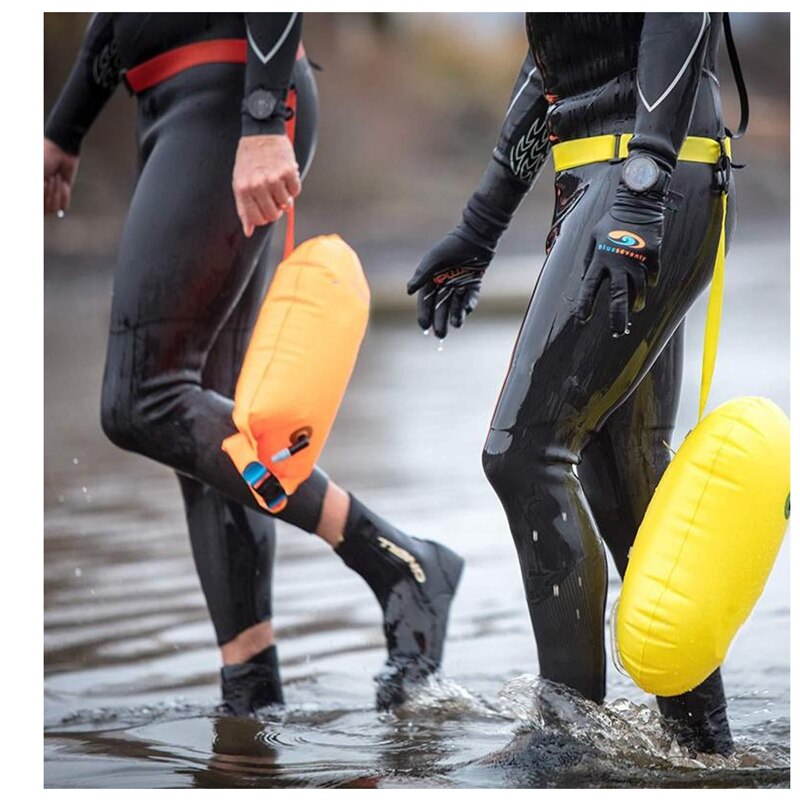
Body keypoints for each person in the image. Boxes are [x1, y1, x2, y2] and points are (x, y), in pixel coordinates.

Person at [44, 12, 464, 716]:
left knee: (141, 399)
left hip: (230, 95)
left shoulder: (248, 105)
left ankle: (397, 561)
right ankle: (251, 697)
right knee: (207, 413)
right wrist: (66, 125)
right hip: (180, 101)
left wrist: (263, 117)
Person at [408, 12, 741, 755]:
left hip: (644, 176)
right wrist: (480, 225)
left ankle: (567, 749)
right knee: (620, 474)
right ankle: (704, 745)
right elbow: (553, 64)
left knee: (523, 454)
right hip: (608, 173)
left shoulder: (643, 175)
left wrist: (643, 187)